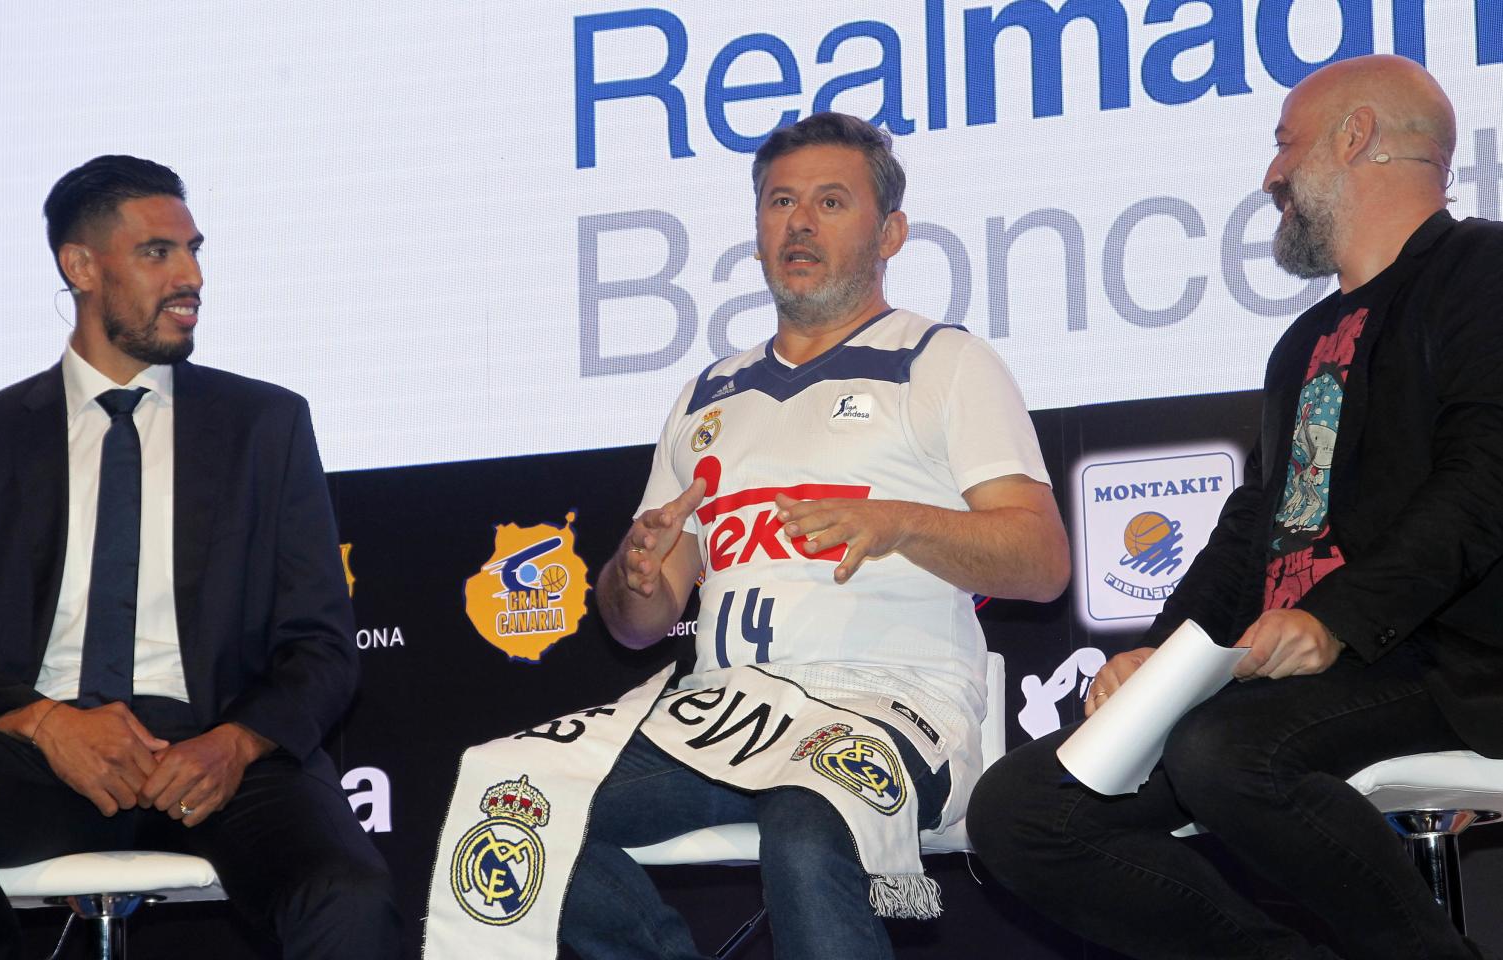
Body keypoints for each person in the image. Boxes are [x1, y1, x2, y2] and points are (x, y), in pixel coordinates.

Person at [968, 55, 1503, 960]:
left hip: (1449, 662)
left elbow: (1485, 481)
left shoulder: (1483, 270)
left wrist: (1336, 619)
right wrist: (1159, 654)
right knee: (1023, 809)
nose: (1270, 176)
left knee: (1223, 751)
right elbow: (1255, 530)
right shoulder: (1304, 342)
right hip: (1290, 674)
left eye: (1286, 145)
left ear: (1356, 137)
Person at [0, 155, 400, 959]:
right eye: (157, 252)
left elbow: (321, 647)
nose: (191, 278)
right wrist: (46, 725)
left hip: (217, 759)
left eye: (194, 250)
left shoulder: (265, 425)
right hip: (42, 759)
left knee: (346, 898)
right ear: (80, 267)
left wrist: (236, 743)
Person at [558, 112, 1070, 960]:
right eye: (780, 202)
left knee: (810, 815)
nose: (799, 223)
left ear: (890, 233)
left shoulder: (941, 361)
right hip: (723, 716)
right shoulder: (708, 394)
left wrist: (899, 521)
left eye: (831, 202)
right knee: (522, 805)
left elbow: (1042, 562)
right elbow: (640, 622)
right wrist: (634, 573)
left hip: (891, 701)